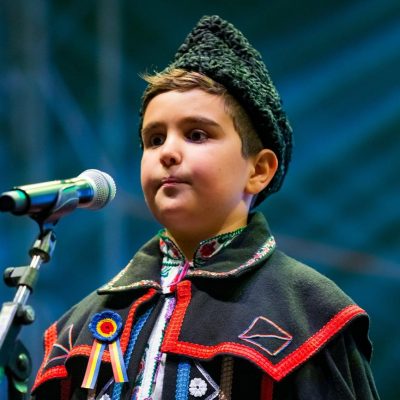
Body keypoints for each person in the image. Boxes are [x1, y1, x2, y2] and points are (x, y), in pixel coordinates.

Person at [31, 15, 380, 399]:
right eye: (154, 139)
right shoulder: (80, 326)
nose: (168, 152)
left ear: (258, 170)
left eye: (196, 135)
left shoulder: (311, 316)